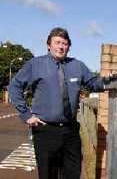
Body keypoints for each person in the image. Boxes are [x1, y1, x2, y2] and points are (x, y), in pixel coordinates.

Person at [9, 27, 108, 179]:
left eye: (65, 43)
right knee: (48, 175)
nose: (61, 46)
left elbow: (94, 83)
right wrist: (26, 114)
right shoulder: (35, 64)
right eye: (58, 42)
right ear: (49, 45)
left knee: (73, 173)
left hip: (71, 131)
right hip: (45, 131)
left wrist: (110, 80)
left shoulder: (77, 66)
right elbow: (14, 86)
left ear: (69, 46)